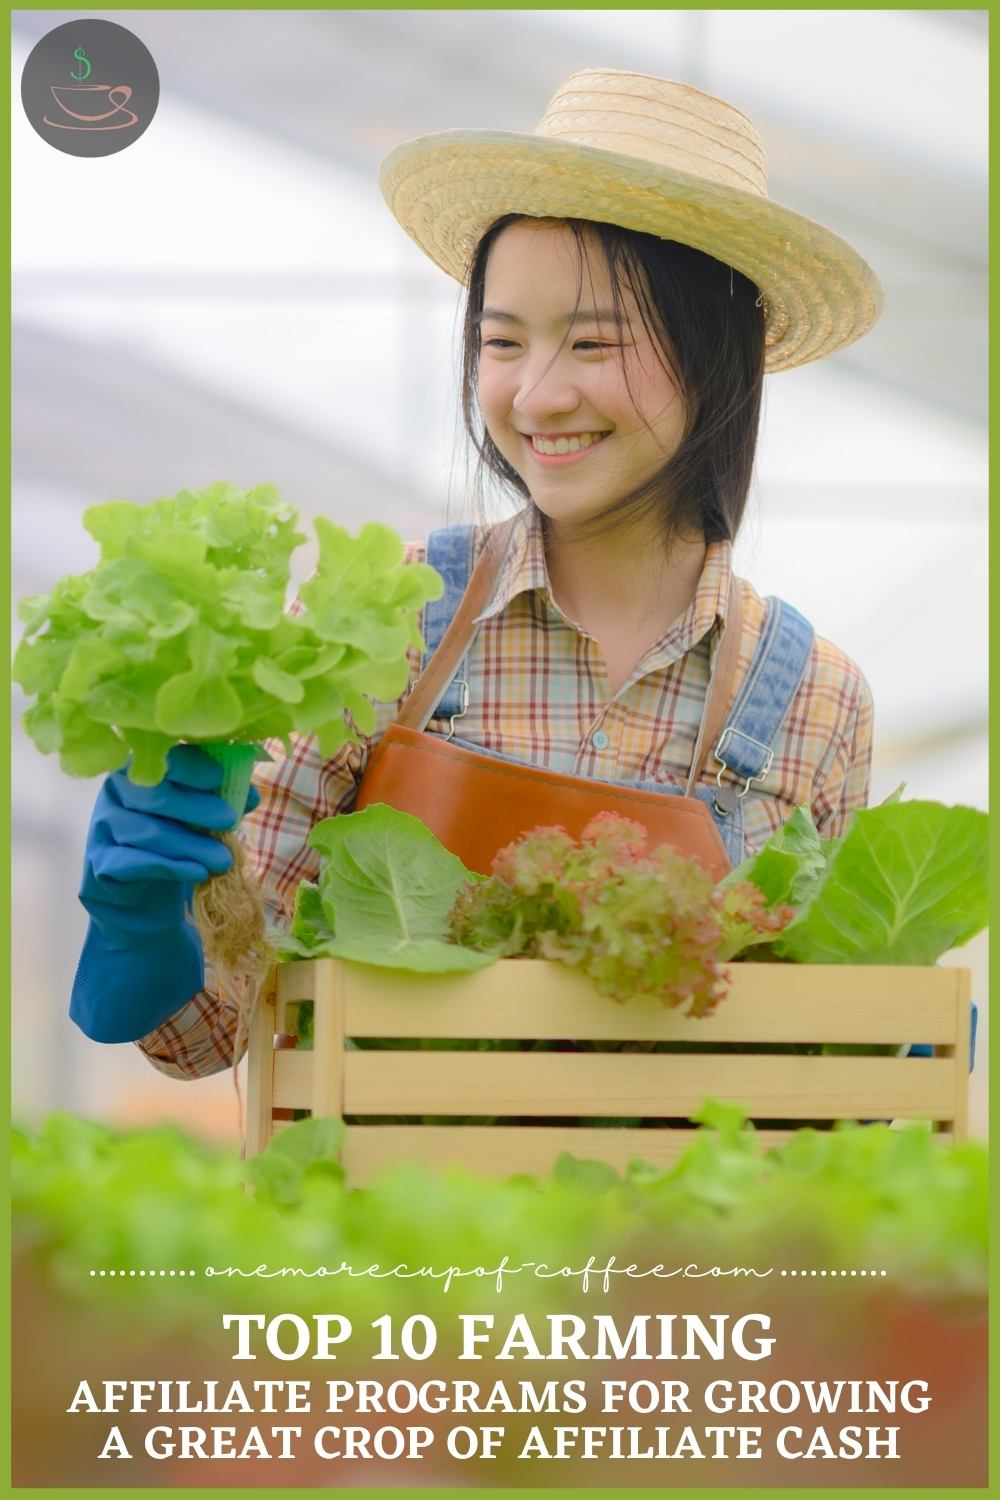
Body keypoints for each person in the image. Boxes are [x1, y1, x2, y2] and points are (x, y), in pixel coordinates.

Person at [70, 71, 879, 1077]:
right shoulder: (380, 623)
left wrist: (893, 1029)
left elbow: (800, 1071)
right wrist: (146, 919)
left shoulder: (815, 698)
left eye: (593, 342)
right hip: (386, 1229)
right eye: (502, 343)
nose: (536, 394)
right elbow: (212, 1032)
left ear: (719, 360)